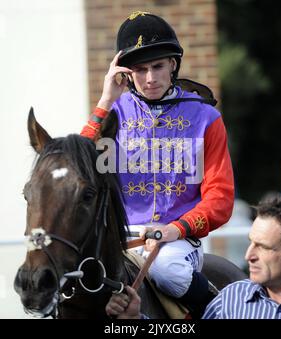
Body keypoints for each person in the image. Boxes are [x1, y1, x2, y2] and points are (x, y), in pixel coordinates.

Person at [81, 11, 234, 314]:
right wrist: (104, 101)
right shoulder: (113, 114)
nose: (150, 79)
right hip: (118, 236)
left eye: (158, 66)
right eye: (140, 69)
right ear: (125, 73)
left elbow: (221, 198)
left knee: (167, 270)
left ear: (173, 64)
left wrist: (176, 229)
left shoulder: (206, 118)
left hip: (176, 240)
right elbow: (79, 168)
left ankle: (224, 311)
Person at [106, 196, 281, 319]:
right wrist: (133, 320)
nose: (249, 255)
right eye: (251, 243)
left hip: (175, 236)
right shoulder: (232, 298)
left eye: (263, 247)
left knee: (167, 270)